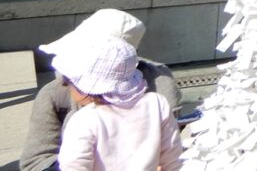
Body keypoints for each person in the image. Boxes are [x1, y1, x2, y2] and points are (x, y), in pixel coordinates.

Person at [20, 9, 179, 171]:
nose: (67, 82)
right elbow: (35, 161)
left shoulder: (160, 87)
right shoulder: (56, 93)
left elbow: (171, 150)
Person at [50, 34, 182, 171]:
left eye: (67, 80)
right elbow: (173, 157)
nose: (64, 84)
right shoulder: (157, 104)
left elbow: (73, 166)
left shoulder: (84, 120)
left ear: (84, 88)